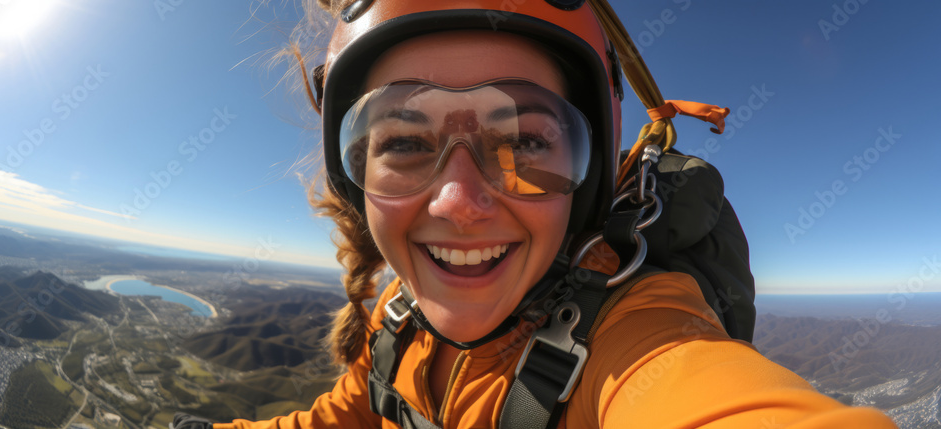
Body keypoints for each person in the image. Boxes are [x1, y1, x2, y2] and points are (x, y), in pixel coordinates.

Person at [183, 1, 899, 428]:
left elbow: (700, 391)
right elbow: (349, 412)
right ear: (355, 177)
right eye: (404, 140)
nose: (459, 202)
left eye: (524, 140)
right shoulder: (401, 318)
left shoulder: (631, 331)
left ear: (587, 180)